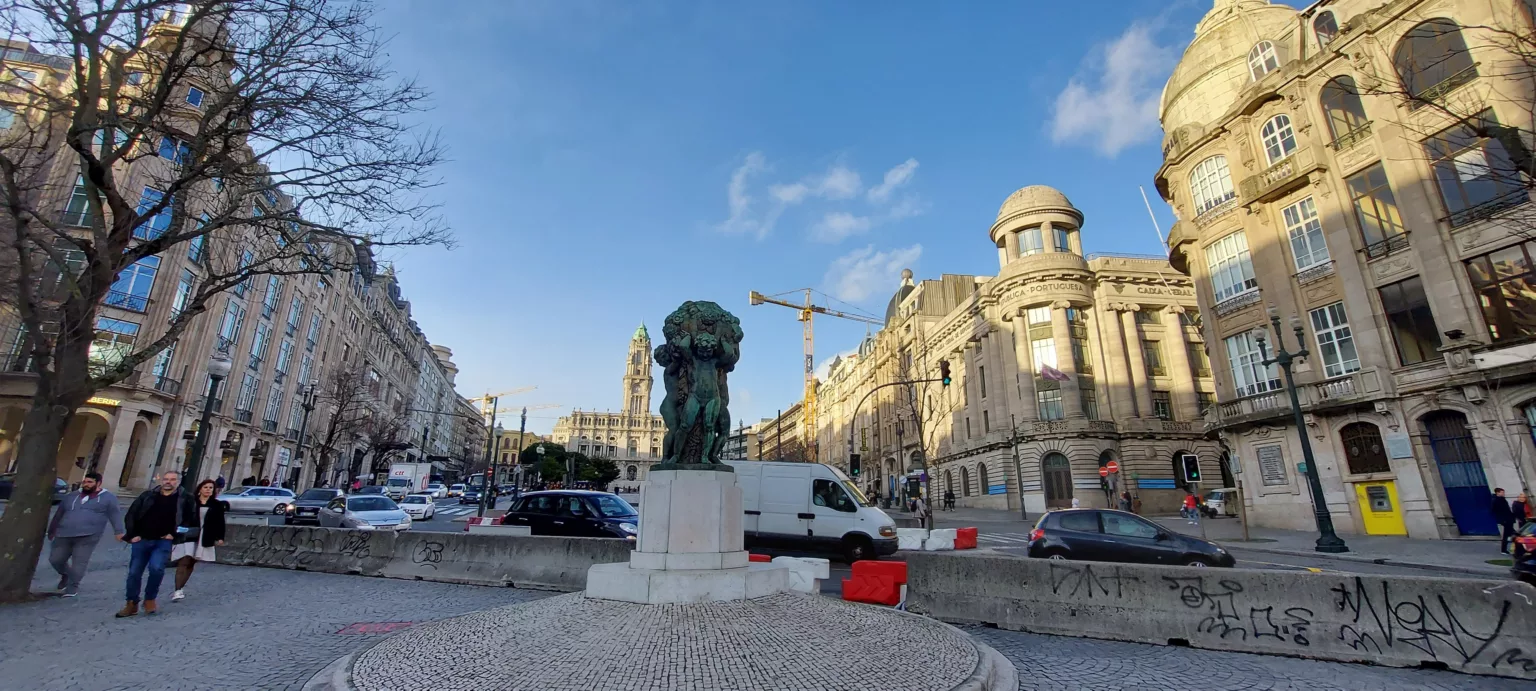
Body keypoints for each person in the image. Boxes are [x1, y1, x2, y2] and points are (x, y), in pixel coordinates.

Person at [117, 470, 198, 618]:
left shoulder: (185, 498)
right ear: (161, 480)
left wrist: (174, 534)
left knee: (156, 569)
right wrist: (132, 535)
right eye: (166, 479)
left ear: (178, 482)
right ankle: (131, 602)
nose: (168, 482)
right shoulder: (147, 496)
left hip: (163, 541)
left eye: (172, 479)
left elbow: (189, 520)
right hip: (141, 539)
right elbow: (131, 515)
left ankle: (150, 599)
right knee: (134, 572)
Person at [46, 472, 124, 597]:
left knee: (79, 563)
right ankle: (66, 575)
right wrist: (52, 530)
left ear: (98, 483)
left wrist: (119, 532)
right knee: (56, 559)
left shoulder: (108, 498)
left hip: (89, 535)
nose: (86, 485)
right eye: (85, 482)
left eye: (90, 482)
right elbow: (59, 514)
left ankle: (72, 588)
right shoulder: (72, 496)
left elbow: (115, 515)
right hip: (64, 533)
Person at [171, 479, 227, 601]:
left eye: (211, 488)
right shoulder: (191, 502)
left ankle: (181, 588)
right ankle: (177, 589)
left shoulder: (216, 504)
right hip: (189, 534)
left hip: (205, 535)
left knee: (191, 562)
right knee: (184, 560)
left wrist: (220, 537)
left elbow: (220, 522)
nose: (208, 490)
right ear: (200, 489)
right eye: (205, 487)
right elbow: (180, 516)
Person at [1493, 488, 1516, 554]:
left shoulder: (1503, 499)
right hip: (1505, 520)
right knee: (1510, 534)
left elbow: (1507, 510)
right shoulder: (1496, 501)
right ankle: (1504, 550)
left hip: (1509, 519)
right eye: (1502, 492)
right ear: (1497, 493)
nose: (1503, 493)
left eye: (1503, 492)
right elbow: (1496, 511)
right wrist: (1502, 520)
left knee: (1511, 534)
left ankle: (1508, 549)